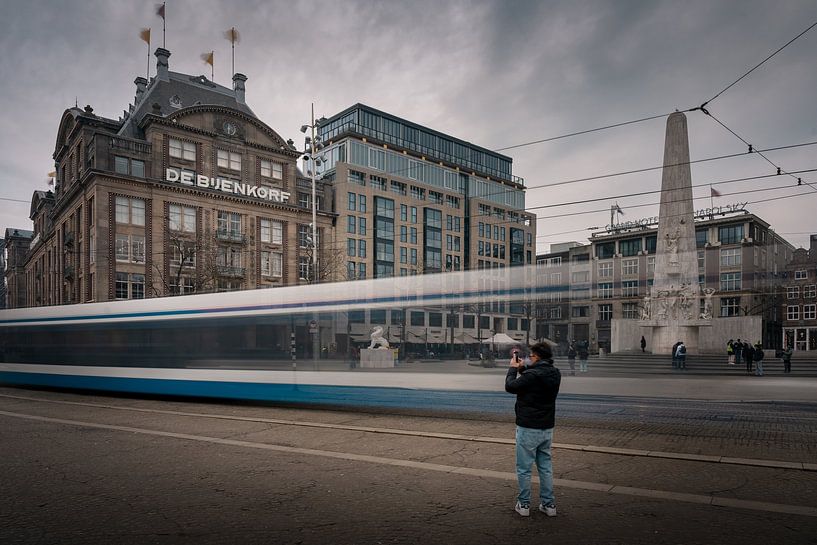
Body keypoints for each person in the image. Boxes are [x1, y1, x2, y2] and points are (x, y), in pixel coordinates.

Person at [505, 342, 561, 518]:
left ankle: (524, 504)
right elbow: (534, 380)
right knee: (545, 467)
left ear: (537, 356)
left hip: (528, 426)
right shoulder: (555, 373)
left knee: (524, 468)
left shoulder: (531, 375)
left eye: (530, 355)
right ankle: (548, 504)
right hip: (546, 427)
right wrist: (524, 367)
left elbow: (511, 386)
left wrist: (513, 368)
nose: (528, 358)